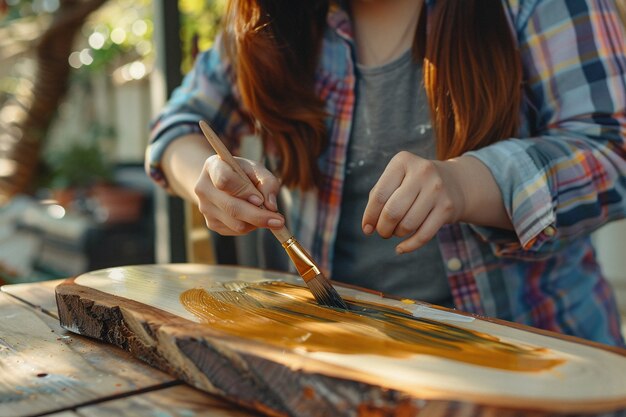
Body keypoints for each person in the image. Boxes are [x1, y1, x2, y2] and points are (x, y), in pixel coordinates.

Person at [146, 0, 626, 347]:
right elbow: (177, 128)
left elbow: (613, 150)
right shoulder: (272, 17)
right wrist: (208, 178)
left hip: (540, 368)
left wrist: (467, 182)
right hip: (339, 369)